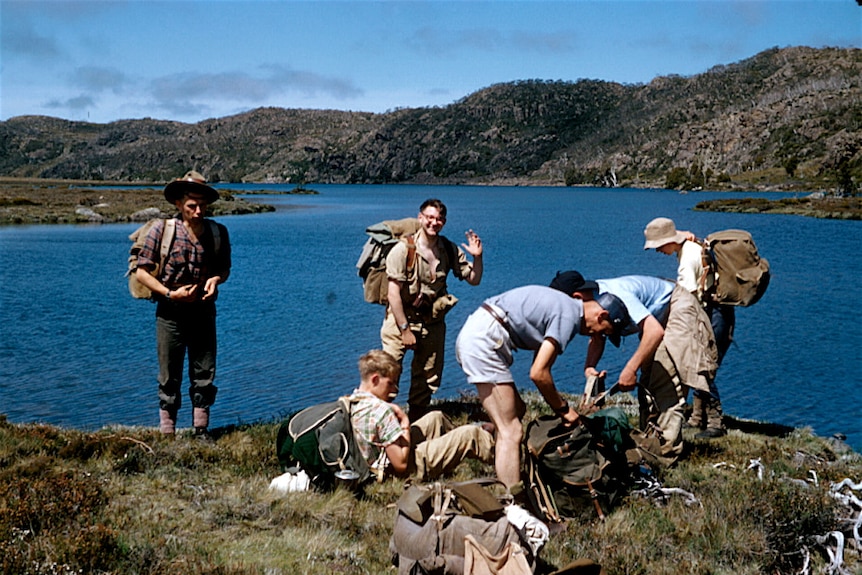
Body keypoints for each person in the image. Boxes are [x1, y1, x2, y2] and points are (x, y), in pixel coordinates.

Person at [454, 273, 630, 489]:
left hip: (481, 332)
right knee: (512, 430)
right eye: (603, 331)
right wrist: (564, 410)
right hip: (483, 342)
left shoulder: (565, 305)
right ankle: (513, 503)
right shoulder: (568, 317)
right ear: (601, 316)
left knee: (517, 410)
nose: (596, 336)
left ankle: (499, 459)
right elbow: (538, 373)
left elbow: (538, 366)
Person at [563, 273, 718, 463]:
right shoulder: (590, 303)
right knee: (647, 383)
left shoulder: (617, 294)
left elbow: (654, 331)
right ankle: (649, 443)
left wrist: (629, 369)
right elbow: (596, 334)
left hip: (675, 307)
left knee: (665, 380)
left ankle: (665, 455)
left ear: (576, 297)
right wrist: (590, 367)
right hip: (655, 319)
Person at [135, 170, 231, 438]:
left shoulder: (217, 232)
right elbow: (142, 271)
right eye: (192, 206)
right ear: (179, 203)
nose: (198, 211)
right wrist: (169, 293)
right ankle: (168, 433)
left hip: (203, 312)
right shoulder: (161, 230)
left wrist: (214, 281)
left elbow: (223, 269)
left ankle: (201, 430)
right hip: (170, 312)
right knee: (169, 376)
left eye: (202, 205)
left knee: (204, 372)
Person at [382, 198, 484, 421]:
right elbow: (393, 294)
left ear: (444, 222)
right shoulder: (402, 250)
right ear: (420, 218)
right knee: (387, 373)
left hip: (432, 323)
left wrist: (477, 257)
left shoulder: (448, 249)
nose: (433, 223)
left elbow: (474, 279)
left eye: (438, 219)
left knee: (428, 377)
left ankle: (416, 425)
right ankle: (380, 423)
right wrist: (404, 330)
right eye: (429, 217)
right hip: (399, 321)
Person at [643, 217, 734, 438]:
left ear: (669, 241)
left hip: (711, 315)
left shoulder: (687, 260)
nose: (658, 251)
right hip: (719, 312)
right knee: (700, 363)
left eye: (658, 246)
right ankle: (697, 417)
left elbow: (684, 297)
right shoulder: (690, 247)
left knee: (701, 366)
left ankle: (715, 422)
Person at [349, 349, 495, 481]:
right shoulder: (381, 411)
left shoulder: (353, 401)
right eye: (390, 383)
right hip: (396, 472)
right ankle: (505, 456)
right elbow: (401, 464)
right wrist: (405, 424)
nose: (395, 389)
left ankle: (458, 453)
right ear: (375, 380)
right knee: (470, 435)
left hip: (375, 461)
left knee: (436, 418)